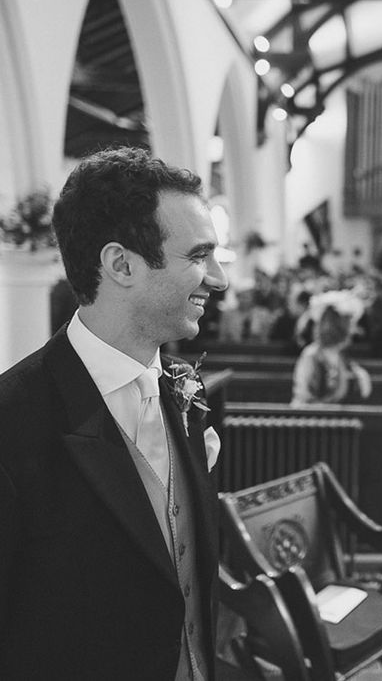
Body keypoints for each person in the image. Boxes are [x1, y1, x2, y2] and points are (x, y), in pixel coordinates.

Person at [0, 146, 228, 680]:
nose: (217, 278)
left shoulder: (186, 399)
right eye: (197, 256)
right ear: (121, 264)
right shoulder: (12, 421)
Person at [292, 293, 372, 405]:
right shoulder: (312, 355)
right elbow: (304, 396)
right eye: (348, 324)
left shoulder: (341, 357)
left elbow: (363, 393)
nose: (352, 330)